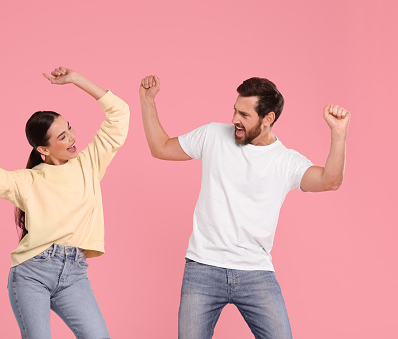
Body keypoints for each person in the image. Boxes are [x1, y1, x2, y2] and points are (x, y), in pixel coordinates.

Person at [139, 75, 349, 339]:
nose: (235, 119)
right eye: (235, 110)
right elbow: (160, 147)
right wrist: (147, 102)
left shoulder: (285, 162)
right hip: (203, 267)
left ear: (268, 119)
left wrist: (338, 134)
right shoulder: (213, 135)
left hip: (256, 272)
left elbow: (330, 181)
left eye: (244, 115)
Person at [0, 67, 129, 339]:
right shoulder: (28, 181)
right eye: (62, 137)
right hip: (32, 275)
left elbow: (120, 114)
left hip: (74, 274)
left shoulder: (89, 164)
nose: (72, 138)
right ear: (43, 149)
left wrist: (75, 79)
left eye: (70, 128)